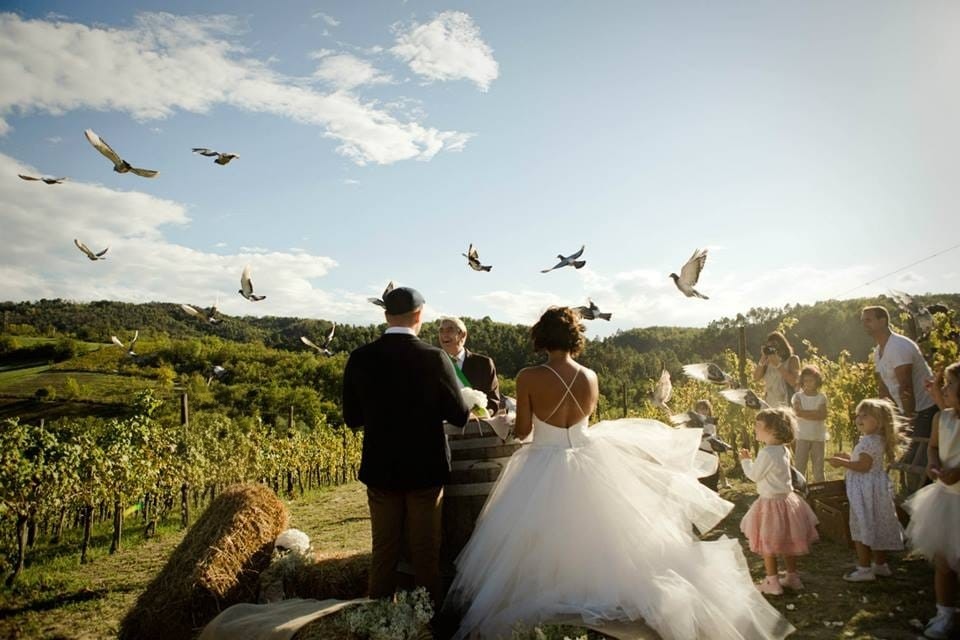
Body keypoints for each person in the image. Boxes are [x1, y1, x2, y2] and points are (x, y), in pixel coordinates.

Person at [443, 307, 794, 639]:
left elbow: (521, 431)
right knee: (601, 535)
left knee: (541, 536)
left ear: (541, 337)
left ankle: (557, 594)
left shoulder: (529, 377)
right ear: (573, 337)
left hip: (544, 461)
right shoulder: (590, 376)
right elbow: (582, 421)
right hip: (588, 457)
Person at [342, 286, 471, 608]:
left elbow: (351, 417)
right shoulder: (434, 357)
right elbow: (458, 415)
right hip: (425, 469)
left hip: (381, 467)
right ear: (419, 316)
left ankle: (379, 619)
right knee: (426, 553)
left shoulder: (360, 357)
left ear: (386, 315)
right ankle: (430, 621)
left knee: (383, 551)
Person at [904, 363, 960, 640]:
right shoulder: (942, 418)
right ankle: (944, 613)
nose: (944, 389)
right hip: (945, 498)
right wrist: (933, 463)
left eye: (950, 383)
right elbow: (934, 446)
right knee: (943, 561)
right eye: (944, 384)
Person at [739, 408, 820, 595]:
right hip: (787, 501)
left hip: (770, 504)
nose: (755, 429)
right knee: (787, 540)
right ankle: (792, 576)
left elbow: (754, 475)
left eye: (758, 426)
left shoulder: (767, 453)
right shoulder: (782, 450)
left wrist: (745, 461)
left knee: (768, 543)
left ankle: (772, 582)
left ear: (773, 430)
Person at [827, 398, 905, 582]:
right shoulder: (876, 440)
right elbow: (864, 460)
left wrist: (842, 463)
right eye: (858, 415)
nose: (859, 418)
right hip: (875, 490)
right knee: (876, 523)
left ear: (879, 421)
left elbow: (863, 465)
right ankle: (880, 564)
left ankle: (864, 568)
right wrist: (849, 457)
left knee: (861, 524)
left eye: (865, 415)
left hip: (865, 491)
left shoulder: (869, 441)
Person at [861, 305, 936, 491]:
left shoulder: (898, 347)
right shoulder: (878, 352)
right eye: (863, 320)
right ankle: (910, 498)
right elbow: (884, 388)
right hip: (908, 411)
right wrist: (885, 417)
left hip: (925, 410)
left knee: (918, 461)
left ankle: (922, 502)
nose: (864, 324)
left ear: (883, 321)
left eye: (868, 319)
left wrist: (909, 418)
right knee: (908, 458)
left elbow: (906, 386)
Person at [437, 316, 502, 414]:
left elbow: (493, 401)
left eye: (449, 330)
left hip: (474, 425)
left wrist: (482, 414)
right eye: (441, 331)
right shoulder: (433, 363)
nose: (444, 335)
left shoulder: (483, 364)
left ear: (463, 335)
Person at [792, 365, 829, 483]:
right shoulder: (797, 396)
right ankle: (800, 490)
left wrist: (804, 413)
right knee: (800, 466)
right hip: (802, 436)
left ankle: (820, 490)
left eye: (811, 380)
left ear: (817, 381)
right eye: (805, 380)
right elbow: (797, 412)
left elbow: (822, 415)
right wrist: (815, 414)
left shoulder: (821, 397)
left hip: (818, 437)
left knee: (818, 467)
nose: (808, 383)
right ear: (802, 381)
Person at [753, 331, 801, 408]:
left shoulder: (792, 359)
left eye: (774, 346)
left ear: (782, 346)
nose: (773, 350)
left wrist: (778, 365)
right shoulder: (768, 362)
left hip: (786, 404)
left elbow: (794, 382)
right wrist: (763, 358)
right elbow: (756, 377)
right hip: (769, 404)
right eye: (770, 347)